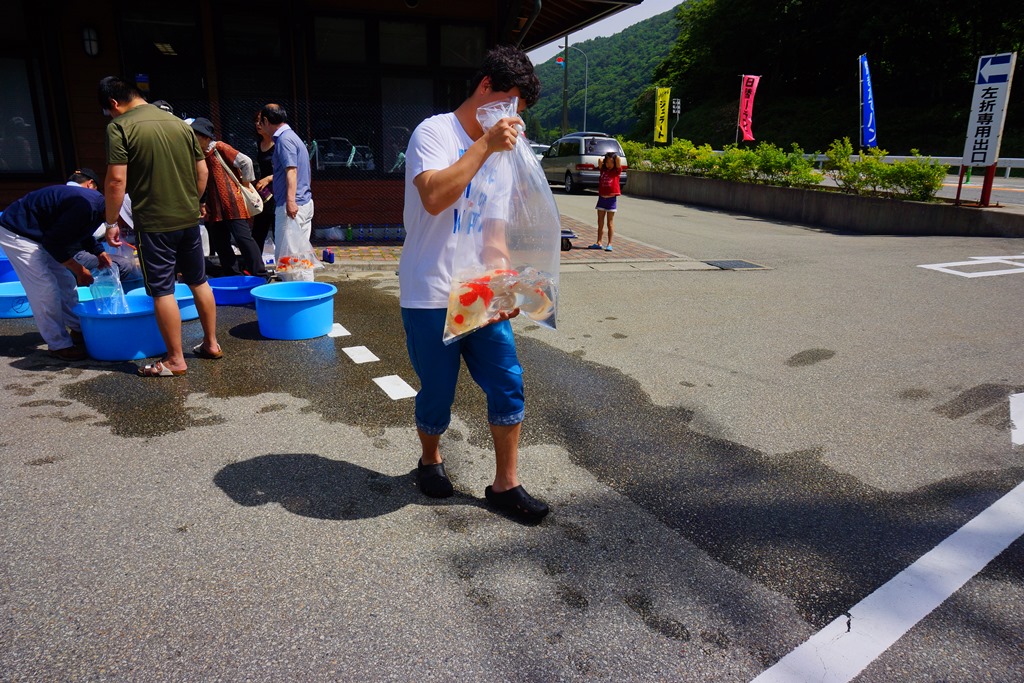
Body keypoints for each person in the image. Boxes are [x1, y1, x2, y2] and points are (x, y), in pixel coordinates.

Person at [399, 45, 548, 523]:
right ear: (486, 87)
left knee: (508, 383)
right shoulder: (434, 132)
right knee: (437, 393)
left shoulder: (503, 155)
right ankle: (430, 458)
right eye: (507, 106)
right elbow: (436, 198)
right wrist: (484, 146)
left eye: (516, 114)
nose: (511, 120)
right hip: (429, 290)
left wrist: (505, 288)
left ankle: (506, 484)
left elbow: (494, 235)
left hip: (478, 291)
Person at [98, 75, 222, 377]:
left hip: (154, 224)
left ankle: (175, 359)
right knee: (198, 280)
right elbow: (202, 169)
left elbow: (116, 180)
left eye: (108, 110)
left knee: (162, 290)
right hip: (188, 218)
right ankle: (211, 344)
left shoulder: (120, 127)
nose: (110, 115)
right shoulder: (179, 124)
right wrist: (193, 201)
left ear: (114, 103)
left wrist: (111, 222)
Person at [0, 171, 110, 360]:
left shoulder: (100, 206)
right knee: (45, 288)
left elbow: (81, 231)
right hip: (17, 230)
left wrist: (99, 251)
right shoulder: (87, 206)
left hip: (43, 233)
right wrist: (79, 269)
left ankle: (77, 329)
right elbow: (54, 243)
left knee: (66, 282)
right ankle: (58, 345)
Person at [189, 117, 267, 278]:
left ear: (205, 137)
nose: (192, 140)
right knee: (220, 241)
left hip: (233, 202)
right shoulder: (198, 155)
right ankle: (232, 274)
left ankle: (260, 273)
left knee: (243, 238)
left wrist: (245, 184)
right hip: (213, 205)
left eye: (195, 135)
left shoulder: (219, 147)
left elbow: (246, 162)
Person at [255, 104, 312, 263]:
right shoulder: (291, 137)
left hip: (293, 206)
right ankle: (302, 286)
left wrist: (291, 201)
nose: (259, 125)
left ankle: (293, 287)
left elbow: (292, 171)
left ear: (266, 120)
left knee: (289, 257)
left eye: (261, 121)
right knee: (299, 256)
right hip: (301, 202)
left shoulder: (284, 140)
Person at [251, 110, 276, 263]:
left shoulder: (279, 143)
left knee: (278, 231)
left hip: (278, 191)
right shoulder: (259, 144)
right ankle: (254, 267)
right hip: (263, 193)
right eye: (256, 121)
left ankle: (284, 268)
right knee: (258, 230)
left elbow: (289, 170)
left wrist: (269, 178)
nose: (257, 124)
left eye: (261, 121)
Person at [588, 151, 622, 252]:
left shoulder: (616, 171)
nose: (609, 164)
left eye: (611, 162)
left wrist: (614, 157)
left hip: (611, 199)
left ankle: (610, 244)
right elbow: (599, 160)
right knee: (600, 222)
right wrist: (605, 159)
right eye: (607, 162)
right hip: (602, 198)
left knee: (610, 223)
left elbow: (618, 159)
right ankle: (599, 242)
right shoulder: (603, 170)